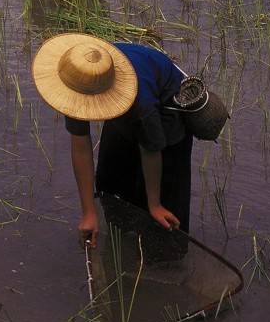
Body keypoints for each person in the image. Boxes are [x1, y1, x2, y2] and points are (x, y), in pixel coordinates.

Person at [33, 33, 196, 240]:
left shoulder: (141, 104)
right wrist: (89, 212)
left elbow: (151, 150)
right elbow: (80, 147)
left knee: (163, 206)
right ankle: (120, 244)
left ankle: (162, 260)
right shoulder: (78, 76)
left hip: (167, 110)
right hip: (126, 102)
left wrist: (154, 205)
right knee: (111, 184)